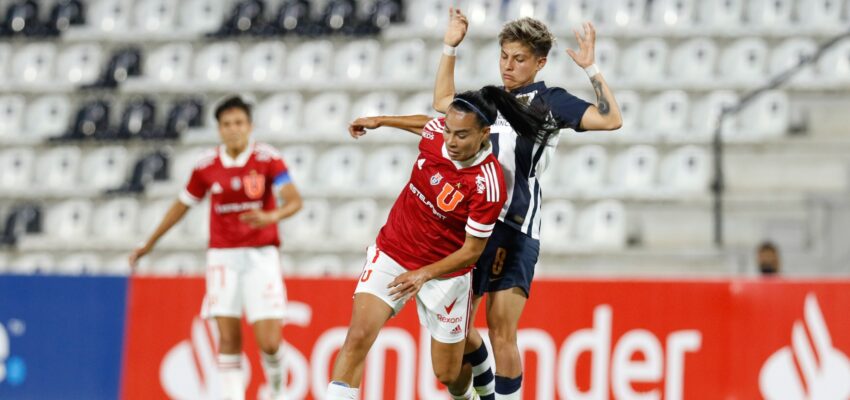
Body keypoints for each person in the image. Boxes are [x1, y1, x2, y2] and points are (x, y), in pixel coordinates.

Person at [434, 9, 624, 399]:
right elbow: (442, 103)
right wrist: (450, 46)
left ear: (540, 62)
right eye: (504, 56)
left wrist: (591, 69)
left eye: (519, 59)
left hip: (516, 226)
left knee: (502, 331)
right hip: (476, 225)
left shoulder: (549, 101)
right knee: (458, 328)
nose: (508, 65)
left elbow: (610, 119)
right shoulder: (488, 98)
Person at [326, 86, 558, 400]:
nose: (450, 140)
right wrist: (378, 120)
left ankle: (471, 396)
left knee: (448, 375)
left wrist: (424, 274)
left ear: (483, 134)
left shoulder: (488, 185)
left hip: (447, 275)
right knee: (358, 337)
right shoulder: (438, 135)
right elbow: (425, 123)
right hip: (393, 251)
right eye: (448, 130)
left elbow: (472, 252)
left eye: (461, 135)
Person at [128, 96, 303, 400]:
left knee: (270, 343)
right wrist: (149, 243)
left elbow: (294, 199)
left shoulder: (267, 159)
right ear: (219, 129)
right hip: (223, 258)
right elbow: (182, 205)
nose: (233, 129)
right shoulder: (206, 166)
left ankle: (277, 391)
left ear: (249, 126)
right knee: (227, 337)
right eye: (226, 124)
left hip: (261, 256)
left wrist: (270, 216)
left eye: (239, 123)